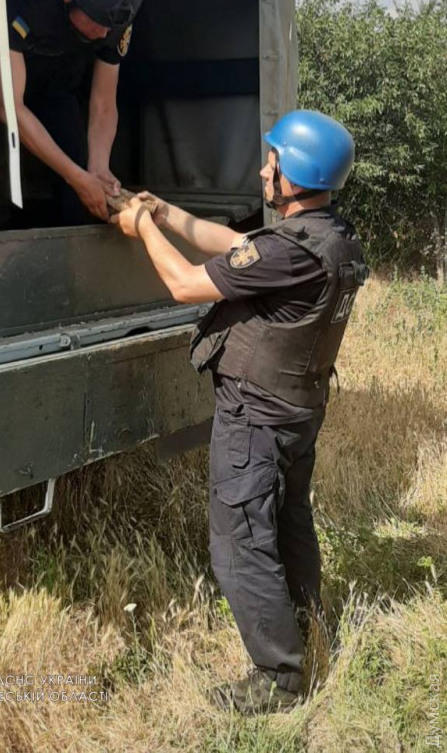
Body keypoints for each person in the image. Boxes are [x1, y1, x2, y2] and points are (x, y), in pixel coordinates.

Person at [111, 109, 368, 714]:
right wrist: (166, 213)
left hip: (257, 419)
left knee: (239, 543)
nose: (262, 171)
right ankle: (305, 623)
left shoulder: (290, 252)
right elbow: (234, 244)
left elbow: (183, 284)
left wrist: (141, 229)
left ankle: (278, 678)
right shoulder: (329, 237)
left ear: (295, 174)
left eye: (272, 163)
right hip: (296, 411)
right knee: (287, 522)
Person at [0, 0, 144, 225]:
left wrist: (97, 168)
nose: (104, 34)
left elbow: (103, 103)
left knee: (76, 157)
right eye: (97, 21)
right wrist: (76, 177)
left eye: (110, 27)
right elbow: (10, 107)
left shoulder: (114, 18)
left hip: (58, 80)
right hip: (0, 80)